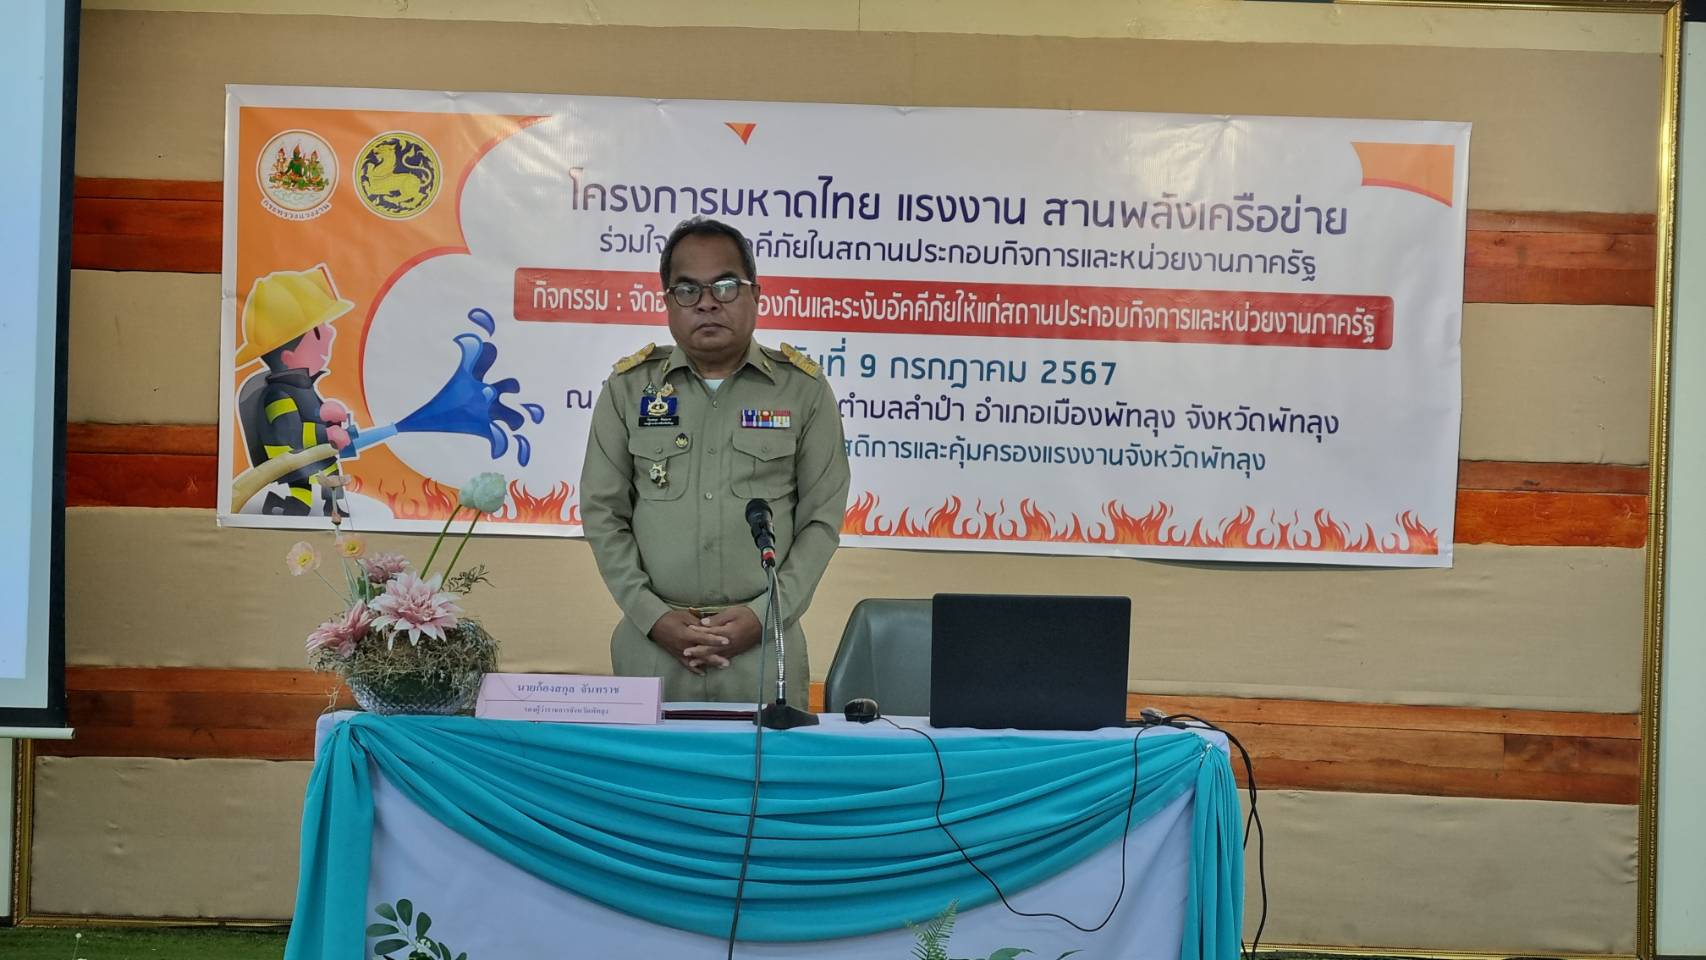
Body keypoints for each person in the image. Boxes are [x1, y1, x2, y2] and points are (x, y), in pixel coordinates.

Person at [580, 217, 851, 704]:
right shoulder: (628, 389)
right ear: (667, 303)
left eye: (725, 286)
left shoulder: (803, 391)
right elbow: (604, 515)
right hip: (653, 647)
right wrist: (653, 617)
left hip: (764, 650)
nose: (706, 302)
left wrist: (765, 616)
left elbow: (820, 521)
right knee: (647, 759)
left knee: (769, 759)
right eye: (687, 290)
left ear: (756, 295)